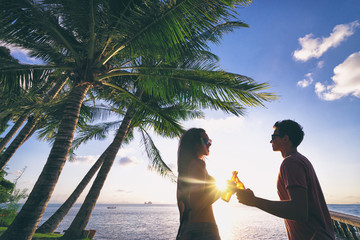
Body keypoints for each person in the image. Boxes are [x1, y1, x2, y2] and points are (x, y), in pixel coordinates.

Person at [236, 120, 335, 240]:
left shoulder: (290, 162)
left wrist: (254, 201)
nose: (270, 141)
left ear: (285, 139)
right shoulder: (301, 160)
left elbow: (299, 211)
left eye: (273, 136)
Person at [176, 128, 222, 240]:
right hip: (203, 231)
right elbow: (196, 204)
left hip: (185, 231)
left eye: (209, 141)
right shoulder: (198, 164)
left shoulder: (183, 172)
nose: (209, 144)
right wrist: (222, 191)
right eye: (206, 141)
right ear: (195, 144)